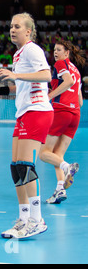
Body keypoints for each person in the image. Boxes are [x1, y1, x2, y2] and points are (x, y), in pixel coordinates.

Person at [0, 13, 53, 239]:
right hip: (23, 114)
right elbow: (19, 88)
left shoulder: (32, 49)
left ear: (28, 31)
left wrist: (15, 74)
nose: (12, 29)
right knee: (16, 167)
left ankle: (37, 219)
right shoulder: (18, 54)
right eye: (11, 26)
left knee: (25, 165)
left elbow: (47, 75)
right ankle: (23, 218)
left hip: (38, 112)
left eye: (17, 26)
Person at [39, 40, 85, 204]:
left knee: (43, 154)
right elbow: (80, 100)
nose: (55, 52)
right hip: (76, 114)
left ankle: (68, 167)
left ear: (67, 53)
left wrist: (49, 96)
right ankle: (60, 190)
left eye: (59, 50)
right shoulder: (77, 71)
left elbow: (68, 82)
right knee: (56, 155)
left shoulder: (60, 64)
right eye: (54, 50)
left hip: (62, 111)